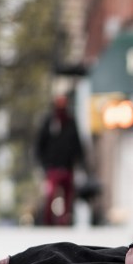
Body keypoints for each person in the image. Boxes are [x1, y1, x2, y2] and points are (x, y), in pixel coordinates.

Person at [35, 94, 84, 226]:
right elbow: (40, 144)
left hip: (67, 166)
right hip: (53, 167)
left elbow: (77, 144)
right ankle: (48, 221)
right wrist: (44, 164)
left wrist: (79, 162)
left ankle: (65, 220)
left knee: (68, 195)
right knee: (51, 195)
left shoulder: (71, 122)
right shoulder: (50, 122)